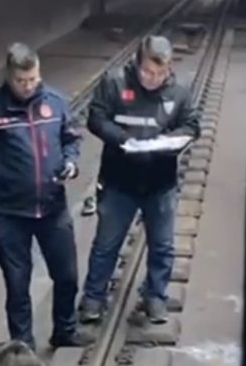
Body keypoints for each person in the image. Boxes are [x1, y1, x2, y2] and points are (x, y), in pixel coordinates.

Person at [0, 44, 87, 349]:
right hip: (10, 213)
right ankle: (23, 346)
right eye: (21, 81)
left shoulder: (57, 103)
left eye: (33, 79)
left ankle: (65, 330)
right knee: (18, 285)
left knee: (67, 276)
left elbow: (71, 139)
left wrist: (71, 163)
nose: (28, 86)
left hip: (52, 207)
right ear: (9, 77)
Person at [80, 36, 200, 325]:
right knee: (107, 243)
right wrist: (122, 139)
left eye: (160, 74)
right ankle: (94, 297)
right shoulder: (115, 83)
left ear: (169, 69)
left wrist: (169, 141)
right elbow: (96, 117)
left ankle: (155, 296)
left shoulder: (179, 92)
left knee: (162, 245)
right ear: (137, 64)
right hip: (119, 180)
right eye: (147, 72)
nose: (152, 79)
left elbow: (191, 125)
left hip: (160, 183)